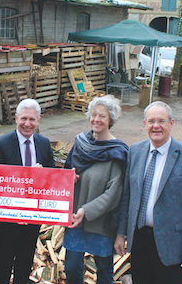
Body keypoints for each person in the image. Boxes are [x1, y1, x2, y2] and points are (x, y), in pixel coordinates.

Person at [115, 101, 182, 284]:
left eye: (161, 121)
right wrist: (120, 233)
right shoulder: (135, 151)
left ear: (171, 124)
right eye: (151, 121)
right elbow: (127, 198)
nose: (156, 126)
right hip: (139, 239)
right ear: (144, 124)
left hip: (170, 243)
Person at [0, 98, 55, 284]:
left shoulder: (44, 143)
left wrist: (42, 176)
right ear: (16, 118)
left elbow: (53, 178)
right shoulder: (0, 144)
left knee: (24, 265)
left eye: (32, 119)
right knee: (3, 265)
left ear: (39, 120)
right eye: (23, 118)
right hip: (7, 220)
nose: (27, 123)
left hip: (32, 219)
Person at [63, 95, 129, 284]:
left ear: (111, 121)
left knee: (104, 271)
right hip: (76, 220)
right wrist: (70, 179)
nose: (96, 120)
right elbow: (65, 175)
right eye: (94, 115)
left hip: (101, 222)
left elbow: (113, 193)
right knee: (72, 268)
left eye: (102, 116)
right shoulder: (80, 144)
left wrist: (87, 210)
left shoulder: (117, 152)